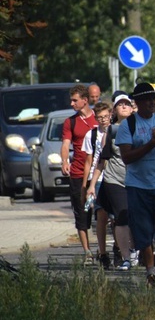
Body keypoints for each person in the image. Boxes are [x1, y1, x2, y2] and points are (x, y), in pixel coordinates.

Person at [115, 83, 155, 287]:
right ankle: (150, 271)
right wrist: (149, 144)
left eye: (153, 98)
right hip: (138, 186)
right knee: (143, 231)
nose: (152, 102)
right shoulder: (128, 125)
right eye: (147, 99)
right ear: (138, 103)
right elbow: (126, 157)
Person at [87, 94, 135, 270]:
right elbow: (102, 159)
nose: (124, 106)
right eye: (120, 104)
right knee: (120, 216)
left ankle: (133, 250)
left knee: (135, 217)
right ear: (115, 109)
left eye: (127, 104)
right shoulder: (111, 131)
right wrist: (92, 185)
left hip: (136, 180)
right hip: (114, 179)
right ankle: (125, 256)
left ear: (132, 108)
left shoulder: (140, 127)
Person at [60, 84, 97, 264]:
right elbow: (66, 144)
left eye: (75, 100)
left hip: (99, 172)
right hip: (77, 173)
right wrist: (65, 160)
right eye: (71, 100)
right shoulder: (70, 122)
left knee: (104, 212)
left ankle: (111, 251)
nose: (72, 103)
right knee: (81, 214)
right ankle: (88, 252)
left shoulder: (99, 119)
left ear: (85, 100)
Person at [81, 101, 113, 268]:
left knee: (117, 218)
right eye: (100, 118)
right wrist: (87, 185)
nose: (103, 120)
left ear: (111, 115)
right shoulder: (91, 135)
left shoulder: (117, 131)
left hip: (115, 177)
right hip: (98, 178)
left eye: (106, 117)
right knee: (102, 216)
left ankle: (119, 248)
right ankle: (102, 252)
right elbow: (89, 161)